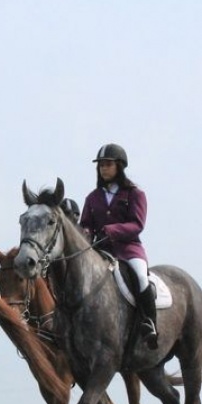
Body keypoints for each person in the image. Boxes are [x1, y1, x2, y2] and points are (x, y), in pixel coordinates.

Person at [79, 143, 158, 349]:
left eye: (108, 164)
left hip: (128, 250)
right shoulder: (92, 197)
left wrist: (111, 230)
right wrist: (86, 233)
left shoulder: (134, 194)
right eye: (101, 165)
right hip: (101, 251)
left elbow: (137, 224)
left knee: (141, 277)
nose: (103, 168)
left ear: (119, 166)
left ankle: (149, 322)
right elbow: (86, 223)